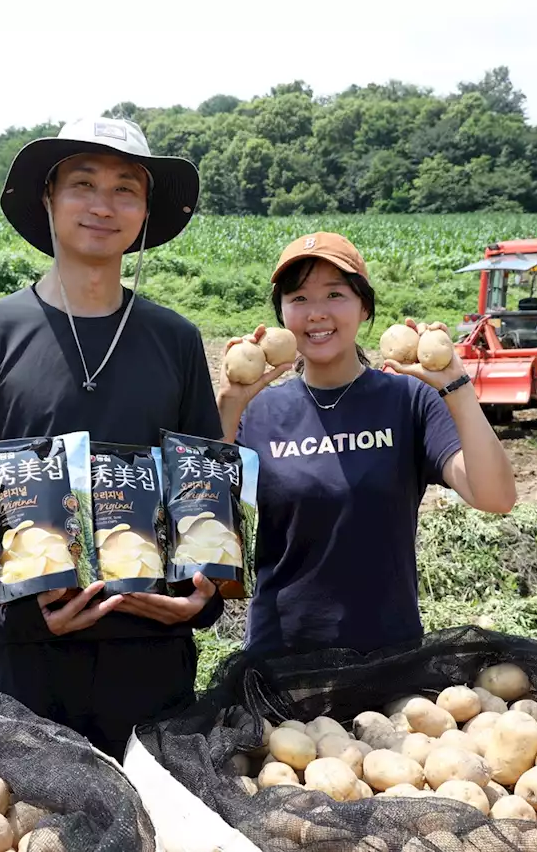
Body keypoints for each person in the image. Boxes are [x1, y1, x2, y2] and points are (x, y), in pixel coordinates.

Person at [0, 117, 225, 760]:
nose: (102, 205)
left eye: (125, 189)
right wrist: (11, 612)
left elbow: (202, 487)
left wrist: (200, 602)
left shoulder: (175, 339)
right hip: (26, 656)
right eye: (83, 183)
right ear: (49, 200)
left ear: (145, 212)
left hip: (149, 651)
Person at [215, 232, 517, 657]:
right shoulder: (259, 412)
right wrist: (229, 405)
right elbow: (206, 521)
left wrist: (458, 389)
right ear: (282, 313)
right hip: (281, 659)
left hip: (388, 657)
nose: (316, 313)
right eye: (298, 298)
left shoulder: (408, 401)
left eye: (335, 294)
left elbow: (496, 496)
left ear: (364, 307)